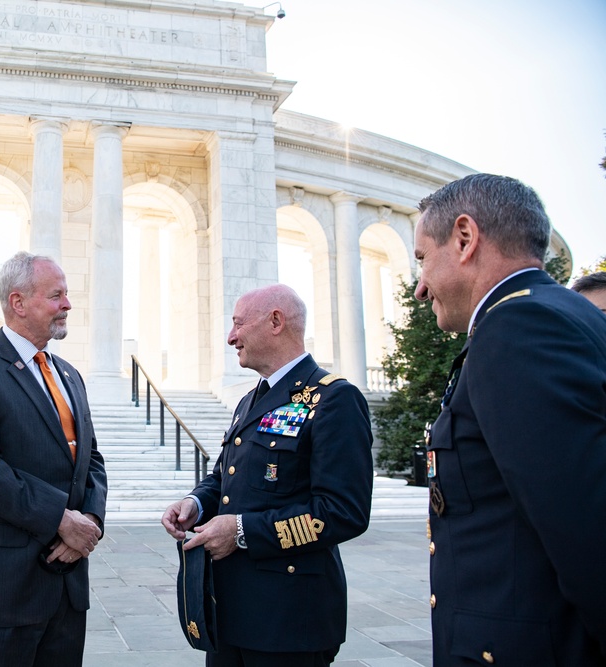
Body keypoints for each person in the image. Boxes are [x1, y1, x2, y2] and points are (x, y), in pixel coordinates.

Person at [414, 174, 606, 665]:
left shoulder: (517, 327)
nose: (420, 287)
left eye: (421, 259)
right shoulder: (562, 313)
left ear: (464, 238)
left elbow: (585, 532)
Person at [161, 284, 373, 667]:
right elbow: (225, 478)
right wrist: (195, 503)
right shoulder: (249, 400)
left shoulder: (334, 399)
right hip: (227, 611)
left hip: (288, 619)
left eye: (239, 324)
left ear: (275, 321)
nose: (231, 337)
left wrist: (241, 531)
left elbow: (344, 511)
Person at [0, 251, 108, 666]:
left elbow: (92, 460)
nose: (67, 304)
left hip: (66, 590)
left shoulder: (69, 374)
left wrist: (91, 523)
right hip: (1, 592)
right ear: (18, 302)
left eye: (66, 295)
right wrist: (61, 521)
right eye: (56, 295)